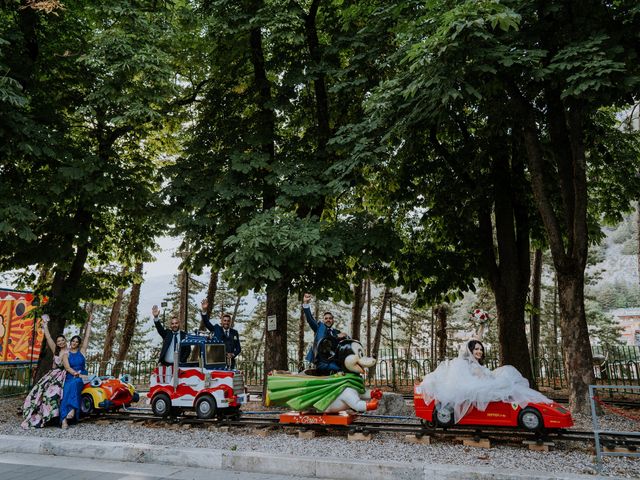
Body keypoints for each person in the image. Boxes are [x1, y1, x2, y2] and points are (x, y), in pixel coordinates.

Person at [417, 310, 551, 424]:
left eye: (481, 349)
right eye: (476, 349)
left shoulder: (476, 363)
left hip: (483, 379)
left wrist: (483, 325)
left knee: (508, 373)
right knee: (505, 381)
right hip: (475, 385)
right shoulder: (466, 362)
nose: (479, 351)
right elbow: (474, 344)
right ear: (470, 351)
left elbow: (478, 340)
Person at [21, 314, 67, 429]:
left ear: (65, 341)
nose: (60, 342)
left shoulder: (69, 351)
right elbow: (49, 338)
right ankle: (38, 415)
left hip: (63, 375)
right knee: (38, 392)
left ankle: (53, 417)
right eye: (59, 341)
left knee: (52, 394)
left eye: (62, 340)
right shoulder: (55, 350)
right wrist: (45, 326)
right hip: (52, 375)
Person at [302, 293, 347, 375]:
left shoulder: (337, 332)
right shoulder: (319, 328)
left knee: (345, 368)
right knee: (339, 369)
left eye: (330, 318)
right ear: (323, 320)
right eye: (326, 319)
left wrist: (345, 337)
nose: (328, 320)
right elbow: (310, 319)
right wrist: (306, 303)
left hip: (334, 361)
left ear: (333, 320)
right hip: (321, 362)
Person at [60, 318, 90, 429]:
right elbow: (67, 367)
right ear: (70, 342)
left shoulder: (81, 352)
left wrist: (89, 323)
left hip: (83, 376)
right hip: (70, 375)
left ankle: (72, 410)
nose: (74, 343)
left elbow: (87, 338)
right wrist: (75, 374)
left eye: (77, 342)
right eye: (73, 341)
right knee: (66, 391)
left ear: (78, 344)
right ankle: (64, 420)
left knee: (76, 383)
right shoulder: (66, 354)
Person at [200, 299, 241, 369]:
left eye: (228, 321)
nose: (226, 322)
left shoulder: (234, 333)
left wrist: (233, 354)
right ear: (221, 321)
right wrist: (204, 311)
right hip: (217, 362)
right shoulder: (216, 329)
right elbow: (207, 323)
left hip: (230, 363)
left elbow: (238, 348)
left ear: (230, 322)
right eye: (224, 320)